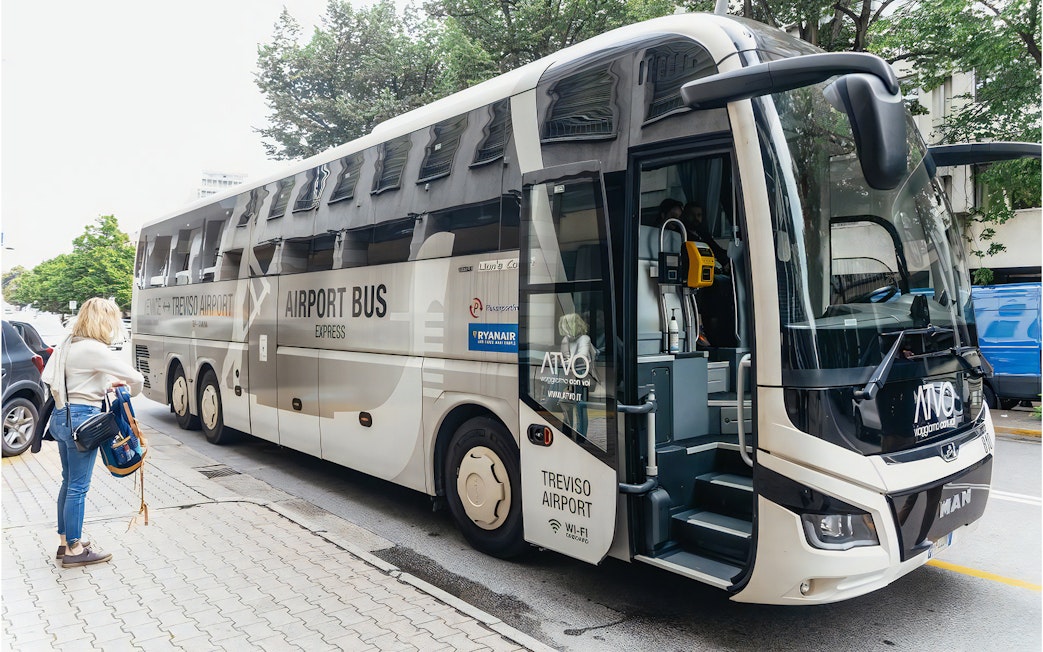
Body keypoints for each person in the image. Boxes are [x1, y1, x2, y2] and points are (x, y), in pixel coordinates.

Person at [41, 297, 144, 568]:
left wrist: (103, 387)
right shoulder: (94, 349)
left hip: (62, 417)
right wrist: (127, 395)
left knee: (68, 482)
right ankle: (75, 550)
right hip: (82, 420)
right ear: (104, 320)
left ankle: (65, 542)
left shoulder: (69, 344)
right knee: (78, 487)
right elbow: (138, 379)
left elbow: (65, 380)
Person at [558, 312, 598, 435]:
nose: (564, 329)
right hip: (569, 374)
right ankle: (567, 431)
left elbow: (582, 356)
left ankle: (581, 435)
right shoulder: (566, 339)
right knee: (566, 403)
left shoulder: (584, 338)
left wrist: (567, 361)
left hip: (581, 374)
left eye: (566, 326)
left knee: (580, 406)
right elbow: (565, 358)